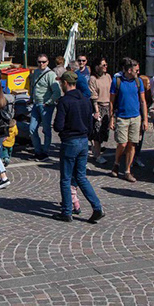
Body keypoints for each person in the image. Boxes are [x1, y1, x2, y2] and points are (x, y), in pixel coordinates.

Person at [51, 71, 105, 223]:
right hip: (83, 141)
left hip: (70, 141)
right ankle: (97, 207)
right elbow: (90, 123)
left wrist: (61, 128)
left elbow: (58, 126)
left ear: (66, 83)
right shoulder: (85, 99)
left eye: (62, 82)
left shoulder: (64, 101)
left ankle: (67, 211)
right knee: (81, 177)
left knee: (66, 178)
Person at [109, 58, 147, 181]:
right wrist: (111, 119)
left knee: (132, 144)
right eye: (136, 70)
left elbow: (143, 101)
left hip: (135, 117)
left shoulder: (138, 81)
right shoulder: (117, 81)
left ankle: (127, 170)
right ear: (129, 70)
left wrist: (145, 119)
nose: (138, 71)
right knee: (122, 143)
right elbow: (112, 101)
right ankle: (117, 163)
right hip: (122, 116)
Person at [29, 53, 60, 160]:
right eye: (39, 62)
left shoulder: (51, 74)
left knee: (46, 129)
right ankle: (37, 150)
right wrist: (31, 98)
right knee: (32, 128)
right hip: (36, 104)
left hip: (46, 105)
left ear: (47, 62)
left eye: (44, 62)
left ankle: (45, 151)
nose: (41, 64)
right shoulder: (35, 72)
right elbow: (33, 86)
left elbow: (57, 92)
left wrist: (48, 102)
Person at [89, 58, 112, 165]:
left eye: (106, 64)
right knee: (97, 131)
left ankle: (95, 148)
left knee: (104, 131)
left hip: (108, 106)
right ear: (97, 66)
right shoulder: (93, 79)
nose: (105, 67)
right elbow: (93, 96)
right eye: (103, 65)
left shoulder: (108, 77)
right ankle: (97, 155)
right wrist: (96, 111)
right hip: (98, 106)